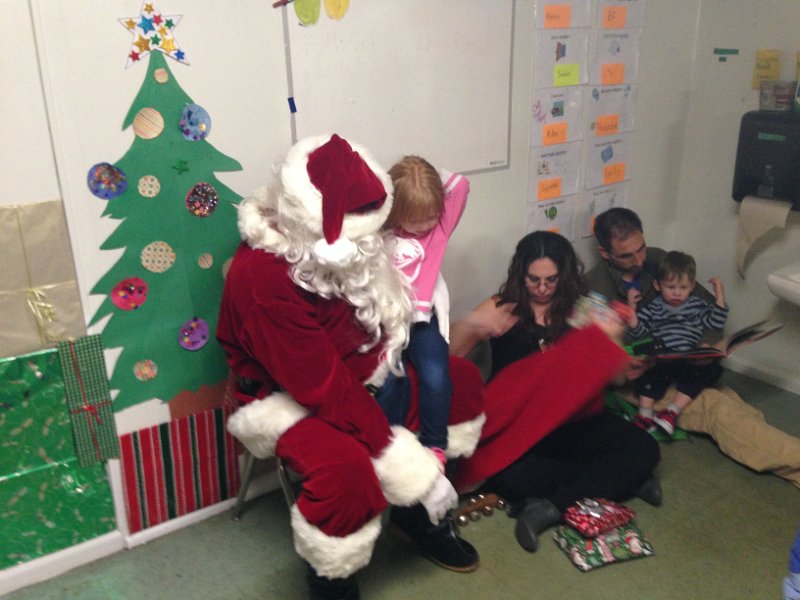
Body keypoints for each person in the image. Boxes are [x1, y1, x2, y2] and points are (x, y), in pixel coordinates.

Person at [216, 134, 486, 600]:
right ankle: (332, 581)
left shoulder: (336, 245)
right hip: (282, 396)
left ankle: (415, 518)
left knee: (458, 382)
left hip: (362, 375)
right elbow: (322, 386)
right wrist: (410, 468)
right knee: (346, 470)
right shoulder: (263, 280)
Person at [450, 231, 662, 553]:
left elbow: (614, 378)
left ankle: (550, 507)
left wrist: (622, 361)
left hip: (574, 420)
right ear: (521, 273)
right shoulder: (502, 305)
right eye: (534, 279)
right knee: (510, 478)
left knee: (645, 447)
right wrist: (470, 323)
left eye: (551, 279)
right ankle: (624, 481)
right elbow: (451, 355)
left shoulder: (584, 307)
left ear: (564, 274)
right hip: (522, 426)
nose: (542, 288)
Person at [587, 206, 800, 489]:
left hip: (686, 365)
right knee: (719, 410)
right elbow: (593, 356)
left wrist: (707, 346)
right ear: (605, 253)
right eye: (627, 255)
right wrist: (626, 366)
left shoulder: (660, 260)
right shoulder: (594, 289)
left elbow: (704, 304)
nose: (639, 260)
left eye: (641, 248)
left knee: (739, 411)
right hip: (644, 380)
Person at [378, 156, 469, 465]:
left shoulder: (439, 230)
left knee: (436, 376)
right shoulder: (381, 233)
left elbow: (460, 184)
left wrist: (420, 175)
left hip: (423, 320)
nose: (425, 225)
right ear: (396, 212)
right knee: (390, 379)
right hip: (388, 321)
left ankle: (434, 444)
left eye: (431, 216)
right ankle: (389, 447)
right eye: (415, 220)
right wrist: (393, 186)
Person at [625, 250, 728, 434]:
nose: (677, 293)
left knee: (713, 369)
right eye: (670, 287)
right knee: (645, 371)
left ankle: (671, 412)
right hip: (662, 357)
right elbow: (639, 332)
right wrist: (631, 310)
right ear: (657, 285)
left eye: (683, 287)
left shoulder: (697, 305)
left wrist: (719, 296)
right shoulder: (654, 307)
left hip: (688, 358)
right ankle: (645, 415)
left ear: (692, 287)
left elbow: (715, 323)